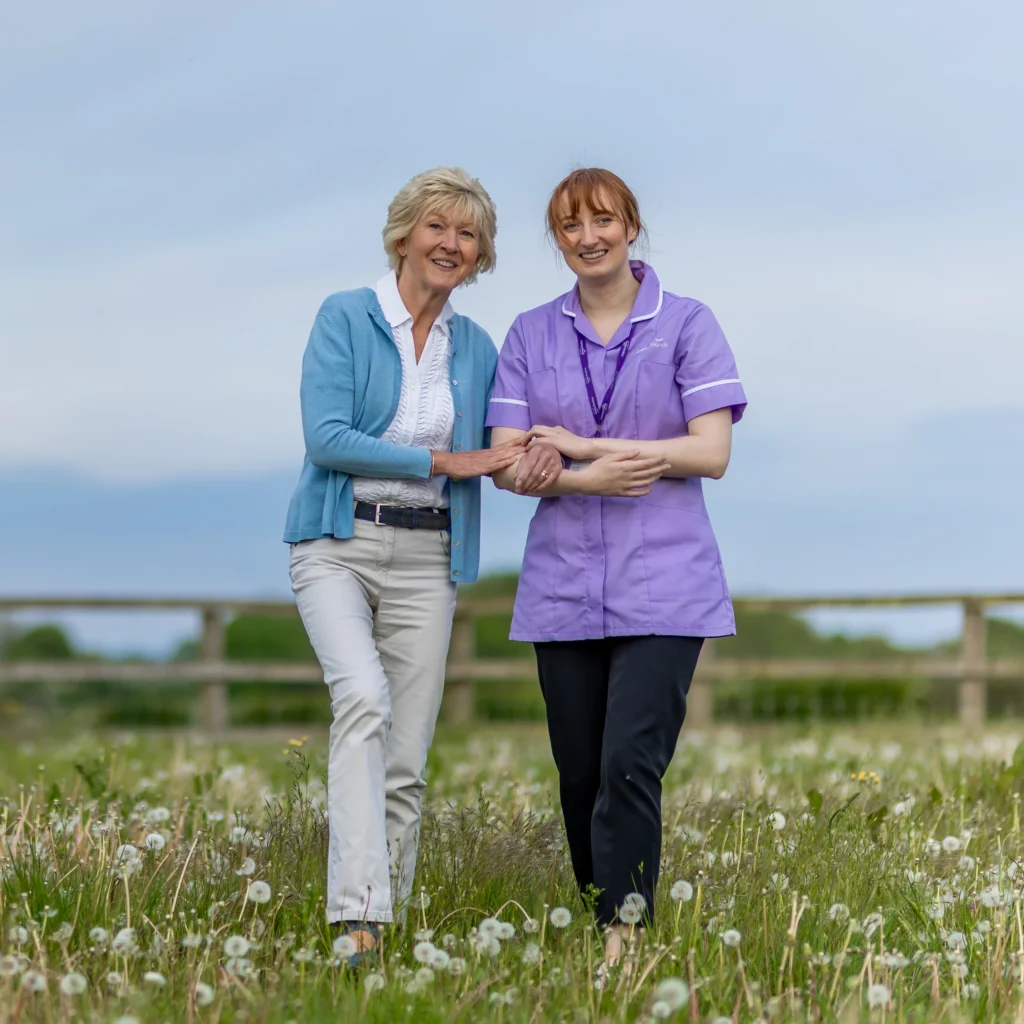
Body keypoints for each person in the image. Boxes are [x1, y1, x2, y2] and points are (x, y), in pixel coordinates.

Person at [487, 167, 746, 966]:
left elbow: (711, 453)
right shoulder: (530, 333)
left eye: (603, 220)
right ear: (557, 239)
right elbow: (505, 462)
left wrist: (588, 445)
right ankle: (603, 920)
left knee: (630, 762)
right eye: (571, 226)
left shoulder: (689, 322)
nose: (589, 237)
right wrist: (573, 477)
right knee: (578, 775)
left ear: (631, 225)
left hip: (666, 584)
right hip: (563, 584)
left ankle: (627, 938)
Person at [284, 167, 524, 963]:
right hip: (337, 543)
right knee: (361, 701)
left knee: (408, 756)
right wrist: (446, 462)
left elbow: (505, 444)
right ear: (404, 235)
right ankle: (354, 917)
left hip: (429, 553)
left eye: (468, 235)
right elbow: (328, 438)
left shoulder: (478, 347)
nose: (451, 244)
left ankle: (382, 931)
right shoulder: (346, 318)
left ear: (480, 255)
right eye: (438, 227)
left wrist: (560, 456)